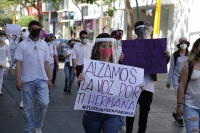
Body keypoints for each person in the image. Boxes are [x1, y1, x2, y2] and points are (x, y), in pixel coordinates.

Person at [126, 21, 170, 133]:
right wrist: (122, 59)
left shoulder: (155, 46)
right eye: (141, 29)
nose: (144, 32)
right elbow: (124, 65)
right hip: (132, 84)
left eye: (146, 29)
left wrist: (166, 57)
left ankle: (141, 131)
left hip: (148, 84)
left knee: (144, 110)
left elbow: (160, 64)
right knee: (130, 110)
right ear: (136, 31)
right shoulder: (130, 46)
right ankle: (129, 130)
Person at [79, 33, 121, 133]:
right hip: (93, 114)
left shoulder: (119, 68)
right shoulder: (89, 66)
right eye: (104, 46)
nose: (107, 48)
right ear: (98, 48)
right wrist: (81, 80)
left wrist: (136, 86)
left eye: (110, 46)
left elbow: (124, 87)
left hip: (112, 113)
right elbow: (84, 89)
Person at [14, 20, 51, 133]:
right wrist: (18, 79)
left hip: (42, 79)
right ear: (29, 30)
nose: (36, 31)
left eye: (38, 29)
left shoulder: (44, 44)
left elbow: (47, 63)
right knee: (28, 108)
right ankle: (29, 129)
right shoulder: (22, 45)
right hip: (27, 79)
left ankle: (38, 125)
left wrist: (49, 80)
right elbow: (18, 63)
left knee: (44, 103)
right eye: (34, 29)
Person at [177, 38, 200, 133]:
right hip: (190, 106)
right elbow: (181, 85)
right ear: (195, 49)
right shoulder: (189, 65)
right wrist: (179, 105)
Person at [166, 37, 190, 126]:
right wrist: (168, 81)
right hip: (176, 79)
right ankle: (180, 118)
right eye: (182, 42)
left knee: (184, 99)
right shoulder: (175, 55)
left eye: (185, 42)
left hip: (186, 80)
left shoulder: (190, 55)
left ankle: (175, 112)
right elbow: (171, 68)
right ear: (179, 44)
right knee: (181, 98)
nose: (183, 44)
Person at [111, 30, 126, 133]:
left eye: (119, 38)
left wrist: (122, 60)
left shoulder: (124, 49)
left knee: (121, 101)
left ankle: (122, 124)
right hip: (110, 79)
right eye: (115, 38)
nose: (117, 40)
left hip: (120, 78)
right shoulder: (107, 49)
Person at [8, 34, 26, 109]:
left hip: (33, 70)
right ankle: (22, 100)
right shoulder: (20, 45)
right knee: (22, 84)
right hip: (22, 68)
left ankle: (26, 100)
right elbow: (15, 56)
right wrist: (11, 66)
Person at [0, 30, 11, 95]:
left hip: (3, 63)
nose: (1, 37)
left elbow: (9, 55)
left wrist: (10, 64)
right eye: (0, 36)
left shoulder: (6, 45)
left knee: (1, 76)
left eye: (3, 36)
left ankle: (0, 89)